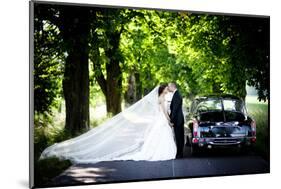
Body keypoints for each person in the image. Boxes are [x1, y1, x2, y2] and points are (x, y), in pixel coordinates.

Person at [40, 84, 177, 164]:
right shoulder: (162, 98)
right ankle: (159, 153)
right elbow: (164, 111)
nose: (167, 90)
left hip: (158, 120)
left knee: (157, 137)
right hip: (162, 120)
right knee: (161, 136)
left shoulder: (158, 97)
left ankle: (152, 152)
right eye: (165, 89)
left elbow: (157, 110)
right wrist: (169, 121)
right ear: (162, 90)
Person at [168, 82, 185, 158]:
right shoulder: (176, 94)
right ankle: (179, 152)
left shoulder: (177, 95)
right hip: (178, 119)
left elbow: (175, 109)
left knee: (179, 137)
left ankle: (180, 154)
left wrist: (171, 120)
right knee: (179, 137)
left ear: (172, 86)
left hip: (178, 120)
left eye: (169, 86)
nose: (168, 88)